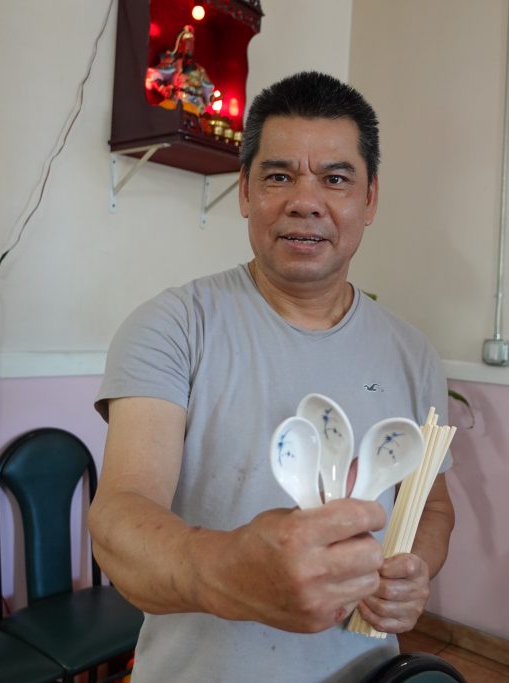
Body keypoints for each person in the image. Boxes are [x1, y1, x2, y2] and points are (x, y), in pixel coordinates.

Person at [89, 71, 455, 682]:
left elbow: (433, 506)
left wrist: (413, 565)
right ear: (245, 193)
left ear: (369, 201)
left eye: (335, 179)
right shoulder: (173, 325)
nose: (304, 201)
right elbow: (120, 516)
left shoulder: (411, 352)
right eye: (279, 176)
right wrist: (232, 568)